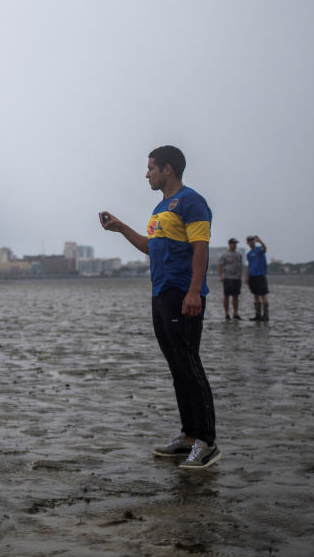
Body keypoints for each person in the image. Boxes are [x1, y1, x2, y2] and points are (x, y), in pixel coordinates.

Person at [99, 145, 220, 469]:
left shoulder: (192, 201)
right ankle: (190, 436)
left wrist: (194, 292)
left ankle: (207, 442)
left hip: (183, 294)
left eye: (151, 167)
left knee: (190, 366)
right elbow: (150, 248)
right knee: (177, 368)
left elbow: (200, 250)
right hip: (161, 294)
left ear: (168, 169)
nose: (146, 173)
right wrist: (121, 227)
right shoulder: (160, 208)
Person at [245, 235, 270, 321]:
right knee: (255, 295)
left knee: (263, 295)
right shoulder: (248, 254)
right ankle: (258, 315)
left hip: (260, 275)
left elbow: (265, 249)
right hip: (252, 276)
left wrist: (261, 241)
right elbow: (249, 265)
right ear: (247, 243)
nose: (251, 242)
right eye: (250, 241)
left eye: (253, 240)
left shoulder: (259, 249)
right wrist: (247, 276)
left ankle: (266, 315)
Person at [218, 238, 244, 320]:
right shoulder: (224, 255)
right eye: (233, 243)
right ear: (229, 244)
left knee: (236, 296)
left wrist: (241, 275)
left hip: (237, 278)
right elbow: (220, 266)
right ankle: (226, 313)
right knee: (226, 296)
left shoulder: (239, 255)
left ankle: (235, 313)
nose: (235, 245)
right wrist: (220, 276)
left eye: (236, 243)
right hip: (227, 278)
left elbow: (241, 265)